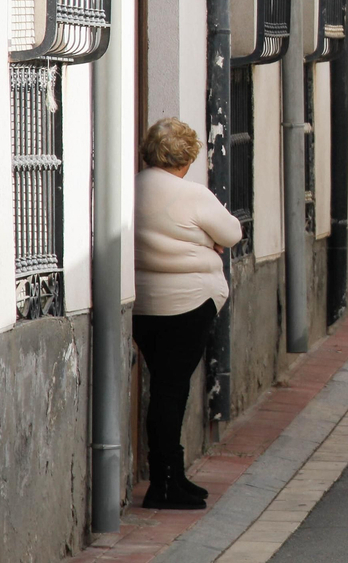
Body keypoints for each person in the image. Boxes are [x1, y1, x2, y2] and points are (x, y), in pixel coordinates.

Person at [133, 119, 244, 510]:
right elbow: (232, 233)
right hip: (187, 306)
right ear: (186, 158)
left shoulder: (132, 188)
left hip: (144, 307)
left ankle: (171, 476)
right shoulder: (192, 194)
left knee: (165, 387)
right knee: (171, 392)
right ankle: (164, 485)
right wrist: (208, 242)